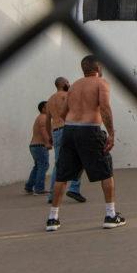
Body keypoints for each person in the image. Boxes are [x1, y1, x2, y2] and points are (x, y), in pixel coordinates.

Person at [46, 55, 125, 232]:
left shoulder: (73, 86)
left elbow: (63, 113)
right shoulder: (101, 83)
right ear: (98, 68)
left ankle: (52, 219)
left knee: (62, 175)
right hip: (90, 131)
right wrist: (111, 133)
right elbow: (104, 107)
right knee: (106, 172)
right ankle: (110, 215)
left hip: (69, 131)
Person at [45, 76, 85, 204]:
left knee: (59, 163)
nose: (70, 83)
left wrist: (49, 136)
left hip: (56, 131)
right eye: (67, 82)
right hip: (68, 129)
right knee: (79, 158)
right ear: (63, 84)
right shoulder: (67, 95)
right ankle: (74, 188)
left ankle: (52, 194)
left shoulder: (50, 100)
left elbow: (47, 121)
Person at [25, 101, 52, 195]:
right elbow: (43, 131)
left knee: (38, 166)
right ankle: (39, 189)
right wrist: (48, 143)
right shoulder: (43, 118)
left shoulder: (40, 117)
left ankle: (29, 186)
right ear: (43, 109)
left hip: (34, 146)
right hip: (40, 146)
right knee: (43, 166)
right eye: (48, 107)